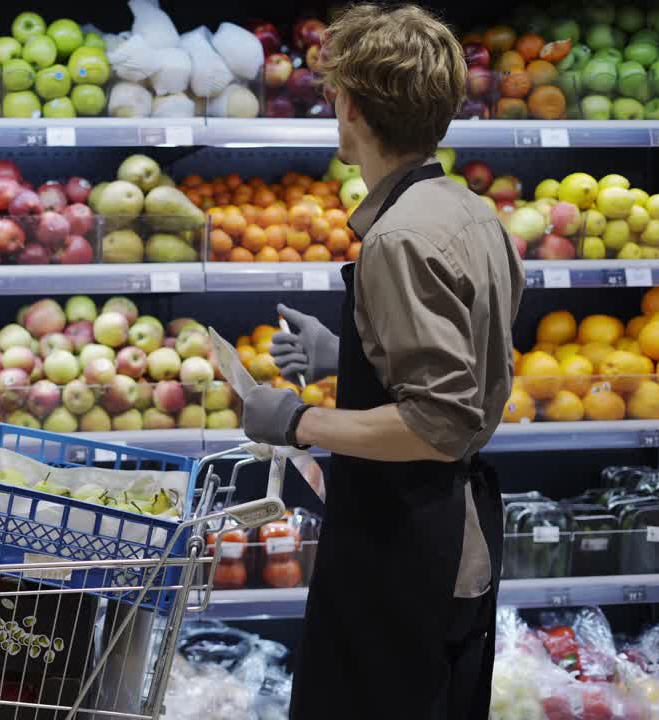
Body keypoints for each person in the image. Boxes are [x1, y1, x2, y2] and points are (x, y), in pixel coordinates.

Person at [238, 5, 524, 719]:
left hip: (404, 555)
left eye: (336, 92)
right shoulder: (470, 211)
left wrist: (298, 419)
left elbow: (437, 423)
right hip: (451, 535)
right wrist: (356, 353)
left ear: (353, 107)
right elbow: (468, 358)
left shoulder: (397, 239)